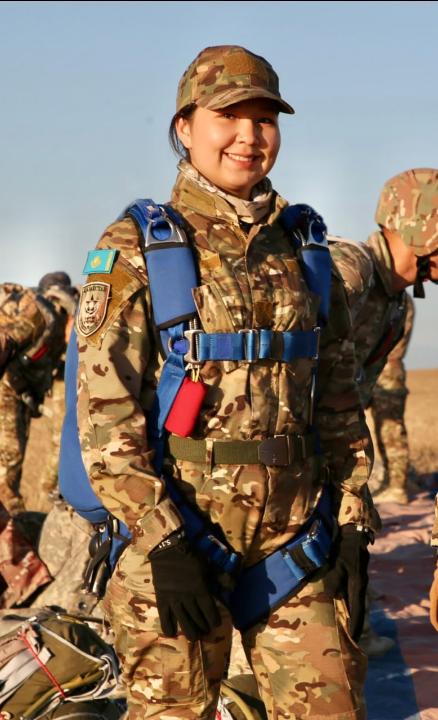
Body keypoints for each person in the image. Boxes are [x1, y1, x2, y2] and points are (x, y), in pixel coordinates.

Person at [75, 45, 379, 720]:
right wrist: (161, 538)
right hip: (180, 541)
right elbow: (105, 417)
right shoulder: (137, 247)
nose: (249, 135)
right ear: (185, 127)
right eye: (228, 116)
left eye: (265, 118)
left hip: (296, 542)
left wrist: (353, 517)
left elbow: (337, 395)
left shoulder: (304, 249)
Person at [327, 168, 438, 642]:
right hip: (287, 449)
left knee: (356, 535)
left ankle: (351, 627)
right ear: (423, 231)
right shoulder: (349, 271)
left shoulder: (392, 300)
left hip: (334, 444)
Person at [0, 275, 75, 515]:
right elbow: (5, 341)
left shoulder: (55, 327)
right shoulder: (42, 315)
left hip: (17, 389)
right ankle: (10, 525)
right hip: (7, 387)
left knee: (13, 457)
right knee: (9, 459)